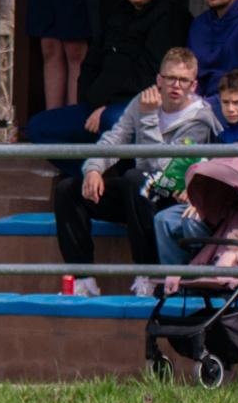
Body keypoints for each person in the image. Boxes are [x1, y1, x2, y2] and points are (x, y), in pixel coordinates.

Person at [53, 47, 218, 297]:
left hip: (173, 196)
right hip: (139, 197)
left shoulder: (201, 119)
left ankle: (148, 276)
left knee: (135, 179)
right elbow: (115, 138)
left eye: (183, 80)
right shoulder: (142, 101)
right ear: (159, 79)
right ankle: (83, 280)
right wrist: (94, 169)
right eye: (170, 78)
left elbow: (164, 168)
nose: (176, 85)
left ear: (193, 85)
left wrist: (149, 118)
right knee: (68, 189)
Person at [22, 0, 190, 176]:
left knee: (112, 121)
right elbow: (91, 64)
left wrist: (107, 106)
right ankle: (94, 177)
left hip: (140, 108)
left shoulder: (171, 15)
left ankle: (111, 177)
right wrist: (91, 102)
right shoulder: (117, 13)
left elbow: (150, 77)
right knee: (39, 128)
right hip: (98, 106)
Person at [153, 69, 238, 272]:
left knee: (191, 221)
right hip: (213, 203)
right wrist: (193, 193)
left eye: (237, 102)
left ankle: (201, 277)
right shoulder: (222, 134)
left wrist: (204, 202)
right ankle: (175, 281)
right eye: (225, 102)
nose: (230, 108)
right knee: (163, 220)